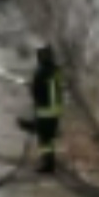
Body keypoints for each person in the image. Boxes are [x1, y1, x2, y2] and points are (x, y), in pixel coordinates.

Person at [20, 45, 65, 174]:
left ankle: (48, 165)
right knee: (48, 136)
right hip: (56, 110)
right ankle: (49, 160)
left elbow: (36, 92)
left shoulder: (40, 72)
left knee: (44, 139)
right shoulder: (56, 70)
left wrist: (31, 86)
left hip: (45, 110)